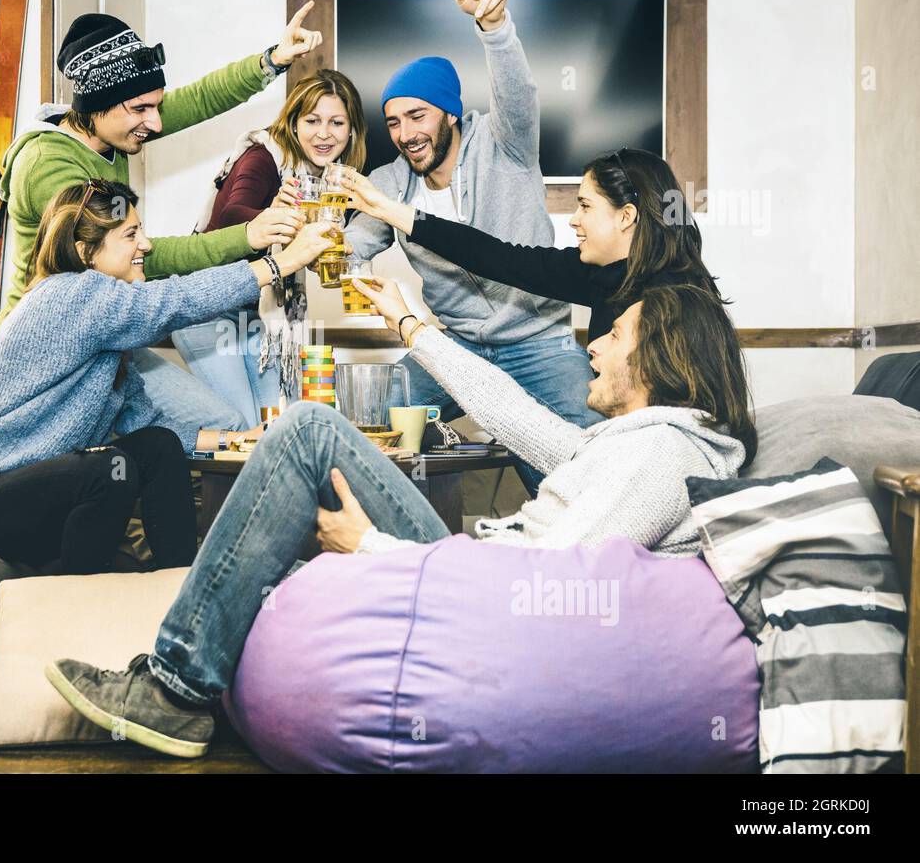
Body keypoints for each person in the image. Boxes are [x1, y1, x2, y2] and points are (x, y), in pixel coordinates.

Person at [45, 279, 757, 756]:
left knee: (305, 432)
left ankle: (174, 687)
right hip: (469, 568)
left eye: (615, 335)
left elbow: (542, 591)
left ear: (661, 356)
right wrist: (410, 324)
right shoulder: (632, 443)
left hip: (479, 598)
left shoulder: (663, 453)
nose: (593, 347)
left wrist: (373, 545)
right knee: (285, 538)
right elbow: (511, 414)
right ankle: (173, 679)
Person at [0, 180, 332, 575]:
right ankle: (75, 610)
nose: (146, 245)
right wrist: (279, 264)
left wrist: (241, 439)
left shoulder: (108, 334)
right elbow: (174, 301)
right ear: (85, 252)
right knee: (109, 467)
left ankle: (179, 586)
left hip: (22, 497)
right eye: (131, 234)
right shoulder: (70, 293)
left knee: (156, 445)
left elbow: (148, 426)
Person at [0, 6, 324, 434]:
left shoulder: (111, 127)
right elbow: (140, 256)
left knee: (218, 426)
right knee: (197, 432)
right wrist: (248, 236)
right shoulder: (49, 165)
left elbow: (202, 98)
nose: (156, 122)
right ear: (99, 105)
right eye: (141, 109)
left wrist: (272, 60)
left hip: (106, 329)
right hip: (47, 349)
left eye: (157, 106)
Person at [343, 0, 599, 489]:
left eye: (418, 115)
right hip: (456, 344)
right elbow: (349, 250)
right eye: (392, 122)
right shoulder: (389, 182)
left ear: (450, 113)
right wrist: (312, 235)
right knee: (369, 415)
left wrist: (494, 24)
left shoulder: (505, 144)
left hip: (539, 340)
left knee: (579, 466)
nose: (406, 133)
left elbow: (519, 93)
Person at [344, 146, 724, 344]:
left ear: (626, 216)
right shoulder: (597, 273)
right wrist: (390, 210)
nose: (574, 219)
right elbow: (495, 257)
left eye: (585, 206)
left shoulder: (673, 303)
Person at [172, 69, 368, 426]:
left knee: (279, 424)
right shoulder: (264, 155)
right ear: (293, 124)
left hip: (261, 318)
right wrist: (275, 216)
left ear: (351, 130)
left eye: (337, 122)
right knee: (242, 427)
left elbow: (308, 256)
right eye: (312, 120)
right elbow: (233, 214)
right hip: (208, 310)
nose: (324, 133)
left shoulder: (330, 183)